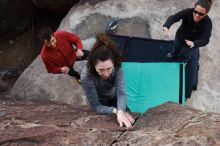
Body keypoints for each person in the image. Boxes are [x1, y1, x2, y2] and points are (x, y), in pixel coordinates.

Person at [81, 33, 134, 129]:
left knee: (130, 118)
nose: (106, 73)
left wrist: (122, 111)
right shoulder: (86, 76)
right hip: (101, 101)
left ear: (113, 63)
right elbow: (96, 106)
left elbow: (121, 93)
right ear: (93, 66)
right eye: (101, 70)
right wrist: (116, 111)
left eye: (109, 68)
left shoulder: (117, 65)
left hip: (114, 95)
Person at [163, 0, 212, 90]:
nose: (197, 15)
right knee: (176, 48)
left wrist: (194, 43)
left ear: (206, 13)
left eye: (201, 14)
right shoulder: (188, 12)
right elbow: (174, 17)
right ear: (193, 8)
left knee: (185, 54)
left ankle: (184, 61)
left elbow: (206, 39)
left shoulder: (207, 23)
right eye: (195, 12)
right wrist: (167, 25)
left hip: (191, 44)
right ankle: (174, 53)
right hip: (180, 36)